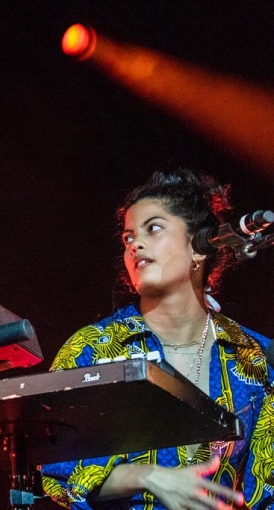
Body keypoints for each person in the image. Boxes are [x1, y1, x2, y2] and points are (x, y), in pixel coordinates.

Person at [41, 169, 274, 510]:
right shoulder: (93, 346)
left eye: (154, 228)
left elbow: (266, 488)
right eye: (128, 238)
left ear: (200, 247)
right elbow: (53, 472)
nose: (135, 244)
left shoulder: (255, 357)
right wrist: (145, 476)